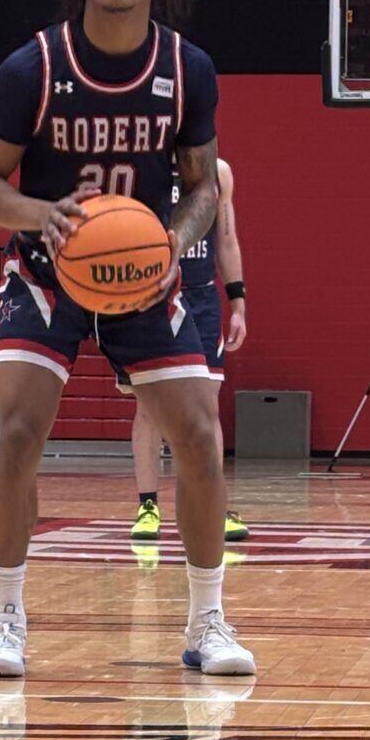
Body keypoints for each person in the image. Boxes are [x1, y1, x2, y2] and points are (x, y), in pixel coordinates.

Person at [0, 0, 254, 678]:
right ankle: (5, 618)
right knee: (19, 434)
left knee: (198, 435)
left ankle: (208, 622)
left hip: (142, 275)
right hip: (48, 269)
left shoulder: (189, 69)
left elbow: (201, 184)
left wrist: (173, 239)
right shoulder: (34, 68)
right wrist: (38, 215)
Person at [130, 160, 250, 544]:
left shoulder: (218, 172)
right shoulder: (141, 168)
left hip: (200, 297)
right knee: (148, 406)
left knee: (207, 406)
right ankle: (147, 506)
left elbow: (227, 240)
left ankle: (212, 502)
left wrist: (238, 303)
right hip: (151, 296)